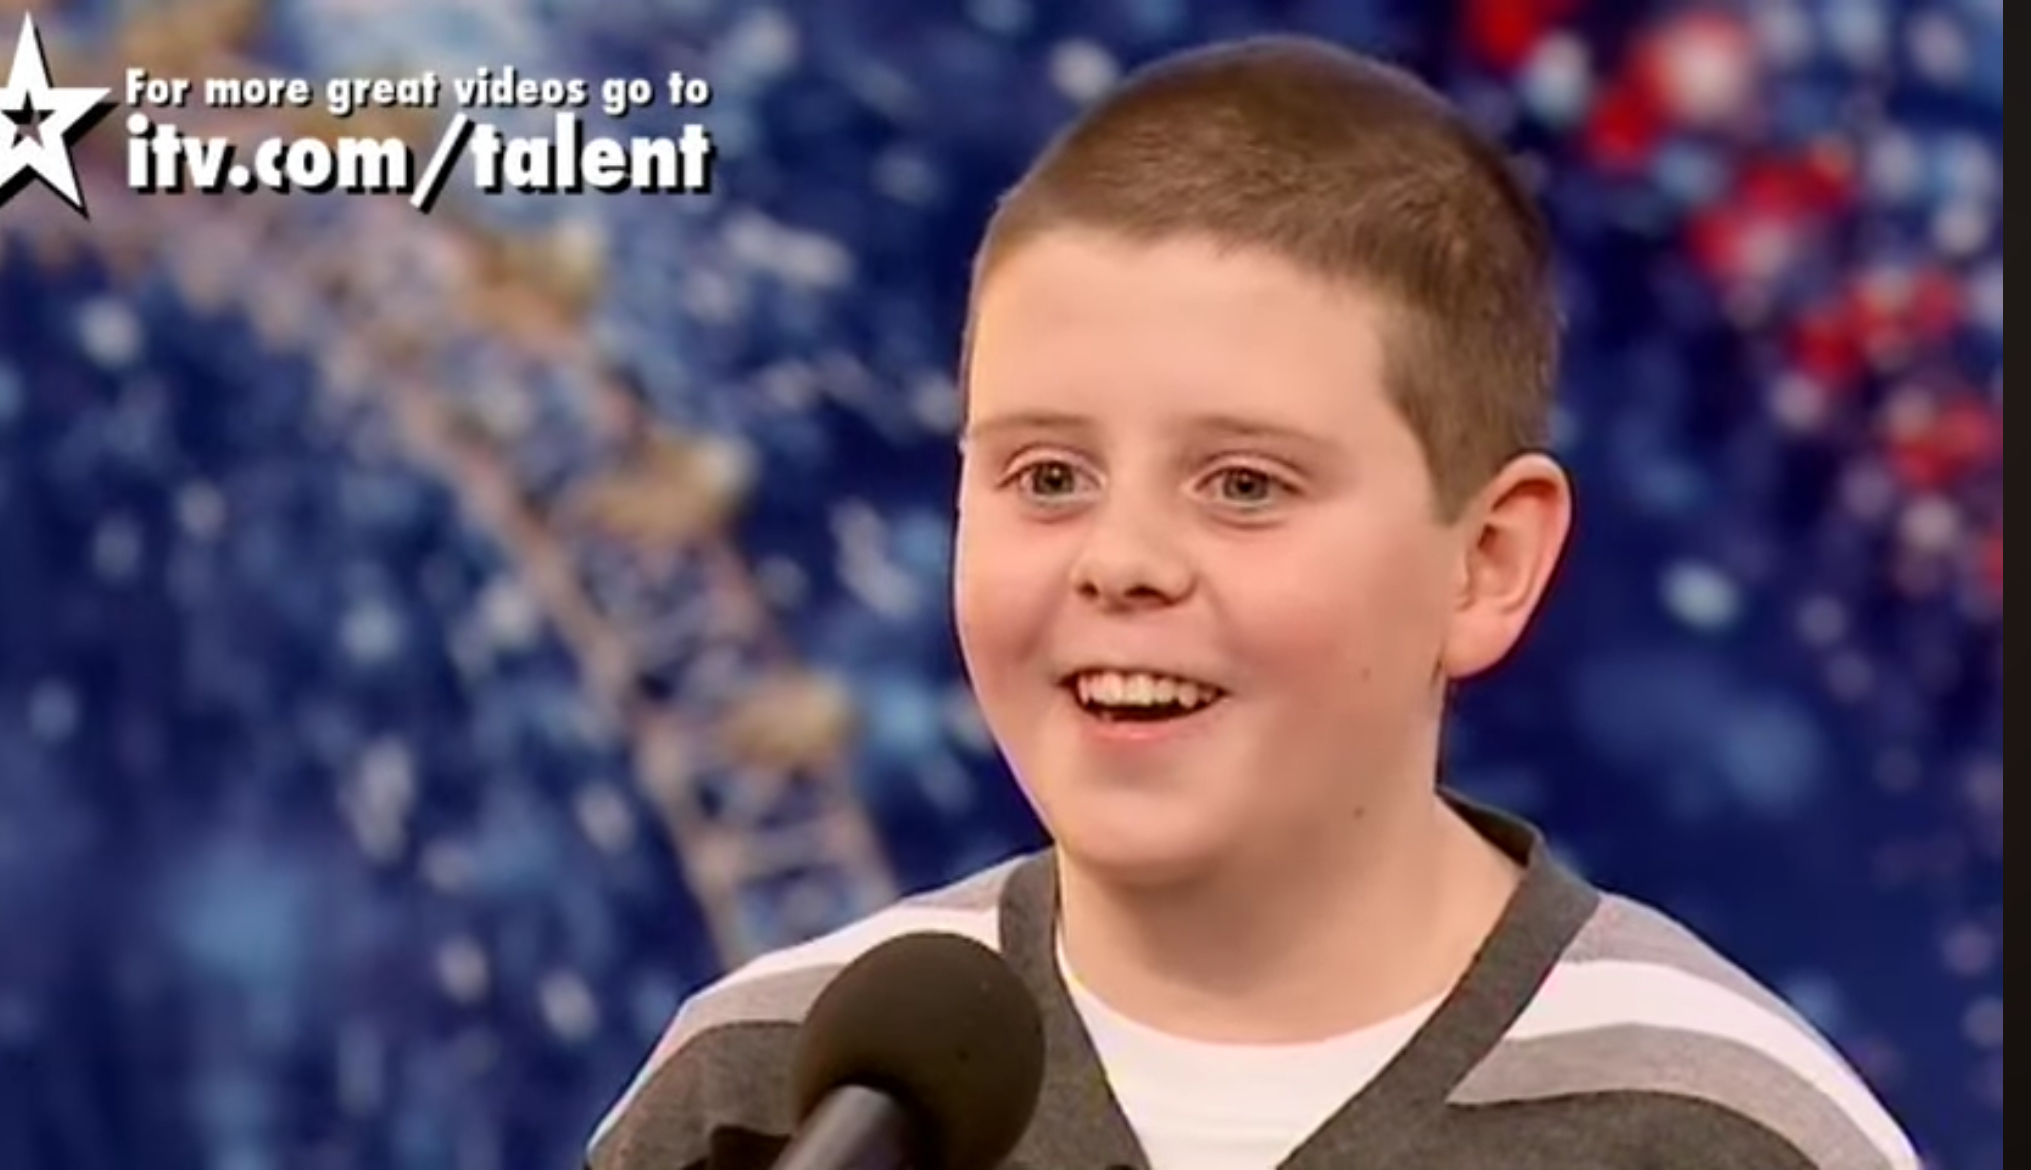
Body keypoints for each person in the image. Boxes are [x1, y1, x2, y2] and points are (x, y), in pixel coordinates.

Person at [585, 34, 1920, 1170]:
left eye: (1243, 485)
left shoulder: (1718, 1126)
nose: (1121, 560)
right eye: (1047, 476)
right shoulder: (766, 1096)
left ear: (1487, 561)